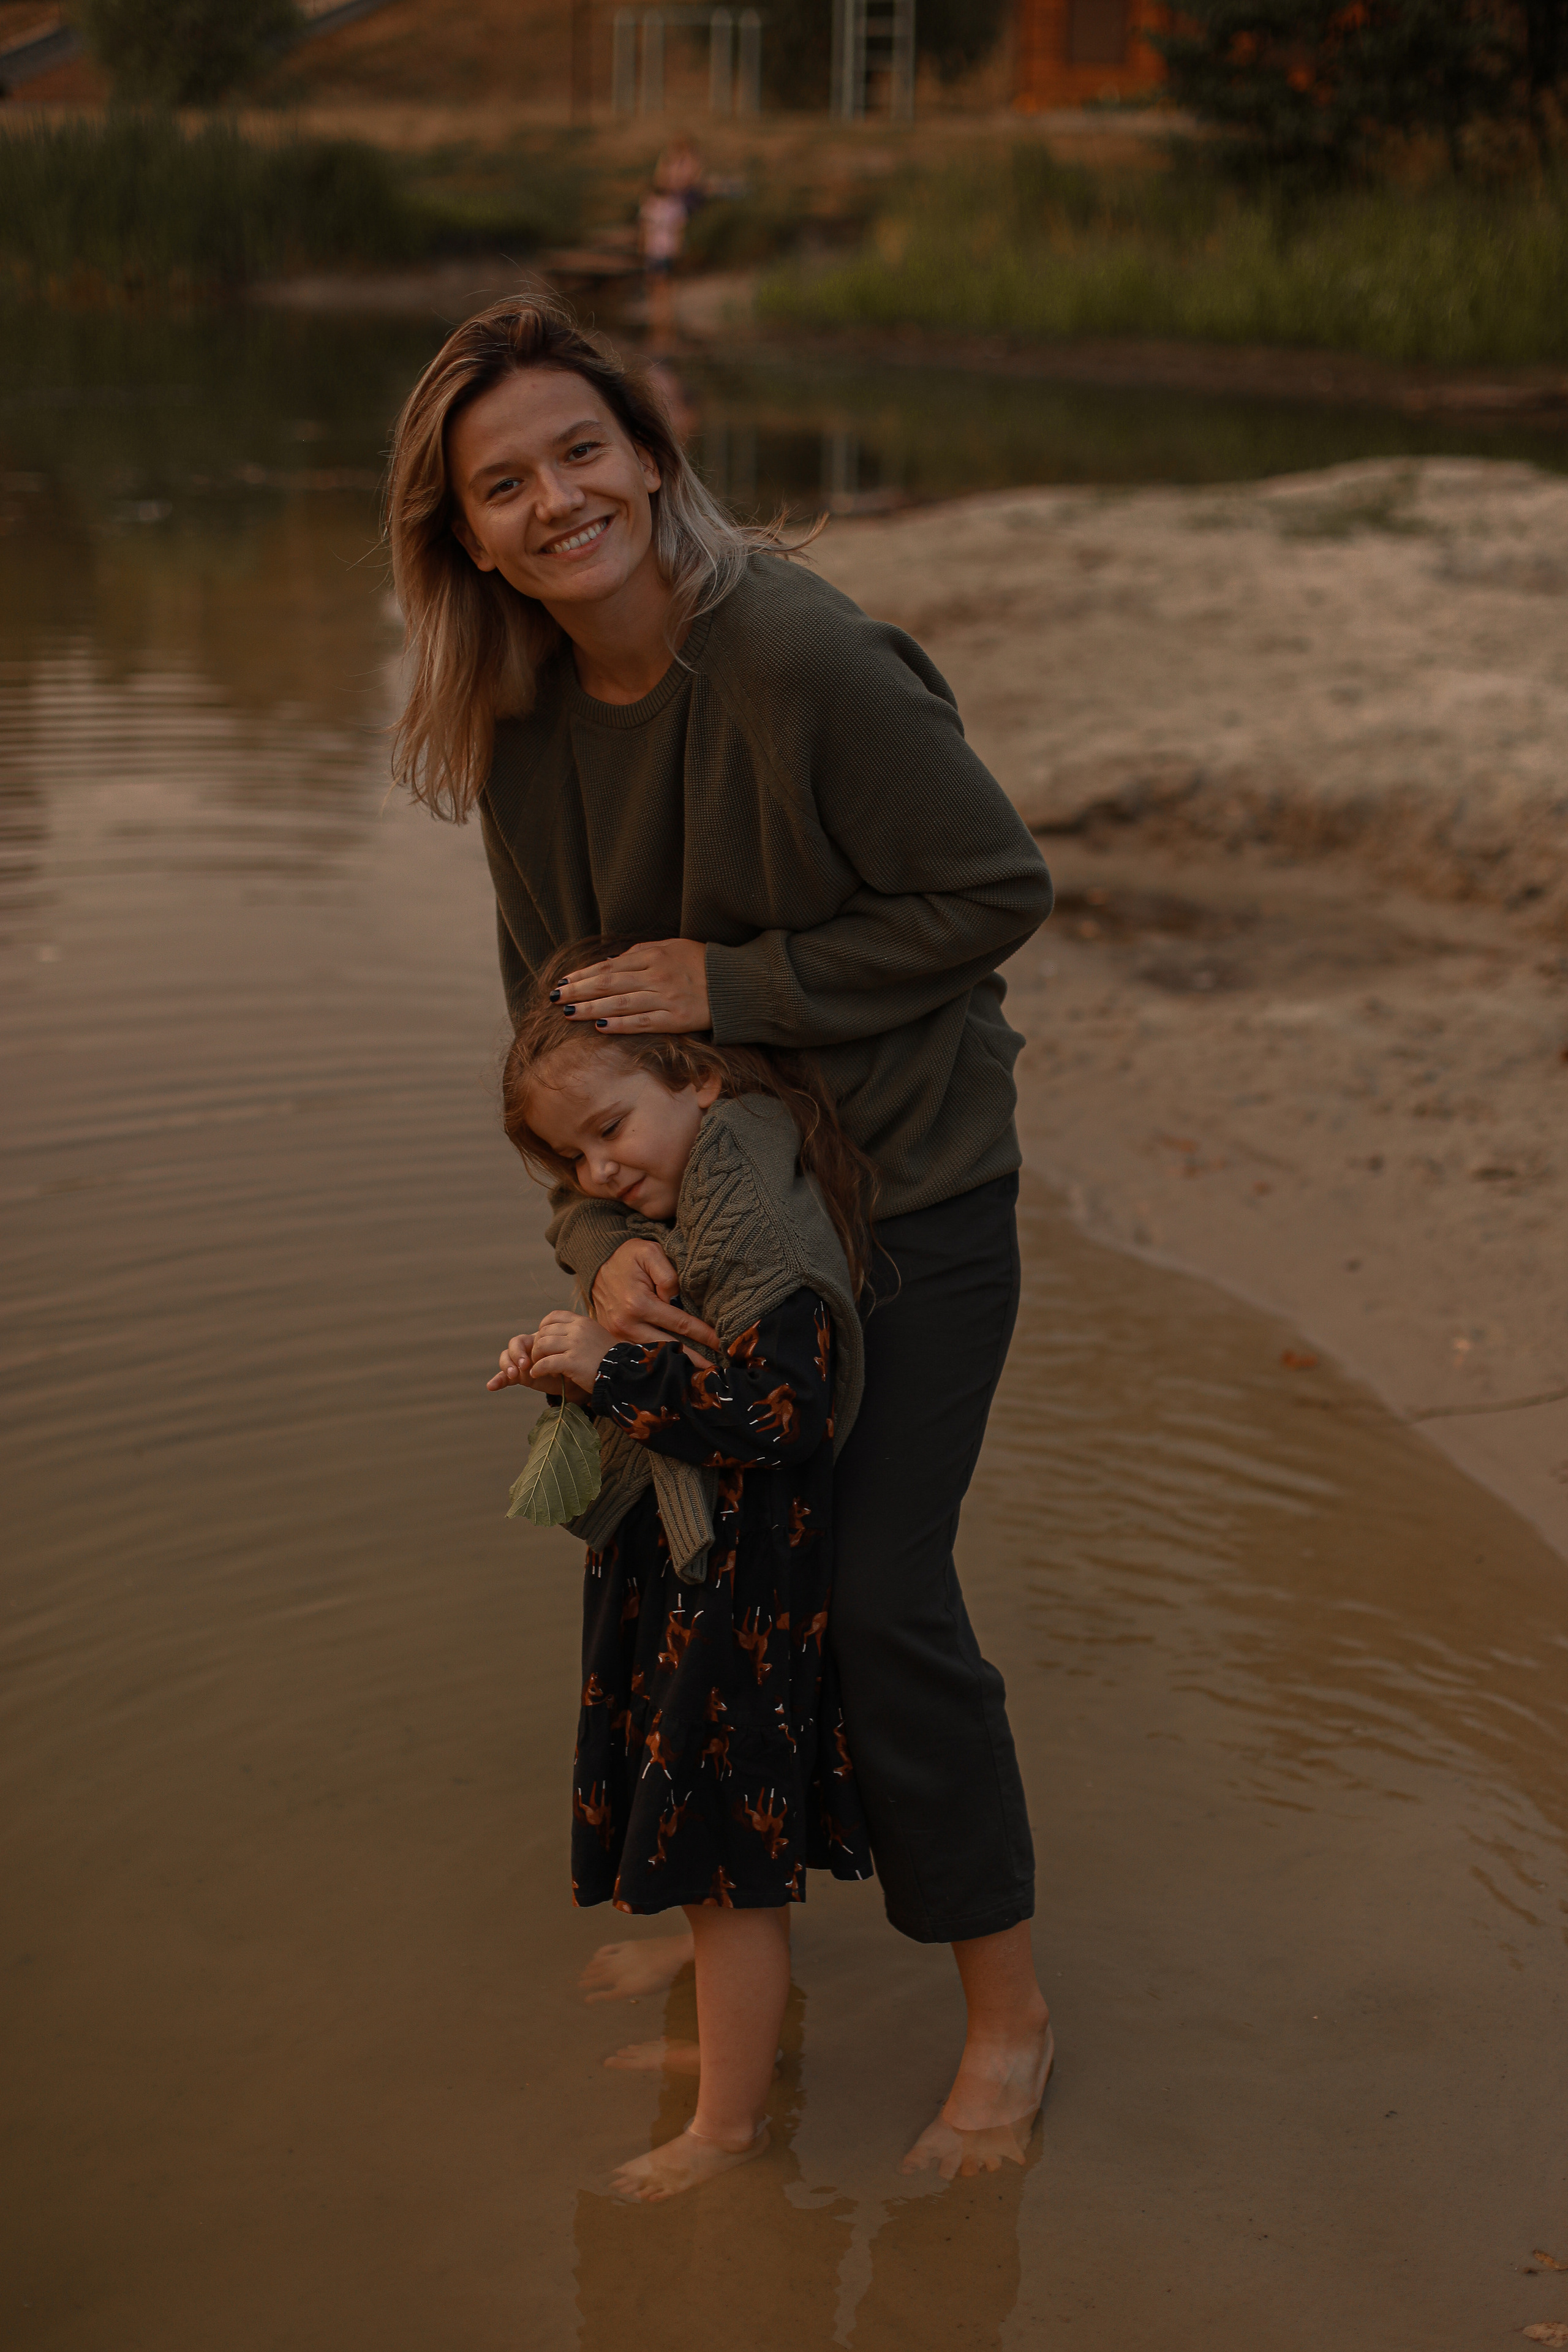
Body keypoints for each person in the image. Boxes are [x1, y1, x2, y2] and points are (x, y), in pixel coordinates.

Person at [386, 298, 1056, 2182]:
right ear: (464, 538)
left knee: (879, 1608)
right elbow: (549, 1038)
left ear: (651, 450)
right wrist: (598, 1237)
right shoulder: (517, 728)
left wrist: (738, 979)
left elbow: (997, 889)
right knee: (697, 1597)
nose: (552, 500)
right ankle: (742, 1979)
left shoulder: (799, 655)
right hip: (714, 1237)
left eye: (577, 451)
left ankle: (1008, 2020)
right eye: (500, 485)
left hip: (911, 1204)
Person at [488, 942, 875, 2201]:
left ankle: (727, 2131)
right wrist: (579, 1353)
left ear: (698, 1079)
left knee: (725, 1870)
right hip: (700, 1567)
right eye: (573, 1161)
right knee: (712, 1861)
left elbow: (783, 1420)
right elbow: (695, 1372)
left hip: (743, 1588)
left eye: (609, 1131)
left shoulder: (752, 1223)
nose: (598, 1176)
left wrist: (607, 1374)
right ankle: (726, 2050)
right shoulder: (714, 1171)